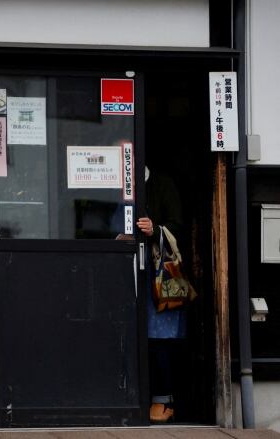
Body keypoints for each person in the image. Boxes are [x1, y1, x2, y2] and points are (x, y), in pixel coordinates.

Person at [137, 166, 185, 423]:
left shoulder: (163, 183)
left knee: (159, 338)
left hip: (159, 272)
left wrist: (155, 229)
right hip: (127, 270)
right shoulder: (114, 183)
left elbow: (178, 226)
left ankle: (163, 399)